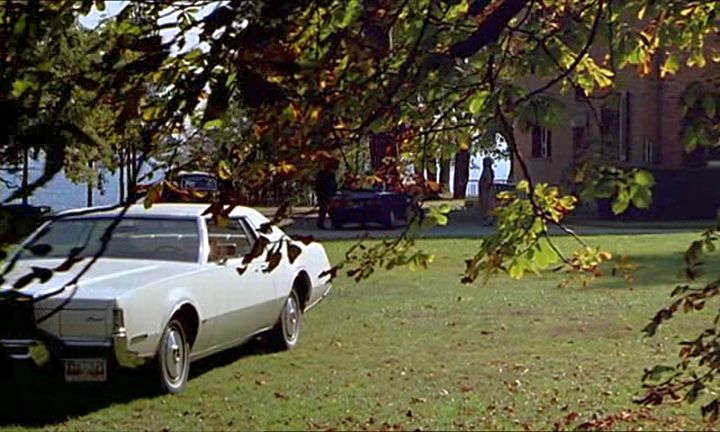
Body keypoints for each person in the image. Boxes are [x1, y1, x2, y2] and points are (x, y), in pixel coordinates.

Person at [315, 160, 338, 229]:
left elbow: (333, 184)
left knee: (327, 209)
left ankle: (332, 222)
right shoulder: (323, 174)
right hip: (324, 194)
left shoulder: (330, 175)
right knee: (324, 209)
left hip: (327, 193)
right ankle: (321, 223)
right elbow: (319, 185)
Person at [478, 156, 497, 226]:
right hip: (488, 190)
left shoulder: (487, 170)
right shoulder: (489, 170)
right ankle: (490, 219)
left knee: (488, 205)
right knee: (489, 205)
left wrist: (484, 186)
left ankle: (489, 220)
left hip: (487, 191)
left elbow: (488, 180)